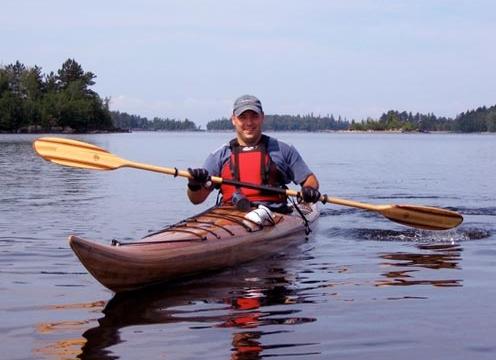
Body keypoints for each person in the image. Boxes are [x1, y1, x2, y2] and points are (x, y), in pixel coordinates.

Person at [187, 94, 321, 212]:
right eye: (243, 117)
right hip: (229, 216)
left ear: (262, 117)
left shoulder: (283, 149)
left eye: (254, 116)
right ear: (233, 120)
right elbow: (196, 199)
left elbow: (310, 180)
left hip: (273, 214)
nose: (249, 122)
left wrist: (309, 189)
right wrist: (194, 185)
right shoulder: (219, 156)